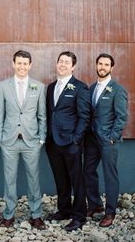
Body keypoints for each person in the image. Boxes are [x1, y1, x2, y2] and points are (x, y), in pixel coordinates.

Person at [0, 50, 46, 230]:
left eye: (25, 63)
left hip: (31, 141)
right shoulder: (3, 86)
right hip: (8, 141)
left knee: (34, 178)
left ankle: (36, 215)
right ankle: (9, 215)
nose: (22, 66)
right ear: (13, 64)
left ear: (30, 65)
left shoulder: (38, 87)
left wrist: (41, 139)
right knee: (9, 179)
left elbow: (42, 115)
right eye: (19, 63)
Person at [45, 51, 90, 232]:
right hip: (53, 142)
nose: (62, 64)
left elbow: (84, 116)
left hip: (71, 142)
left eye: (67, 62)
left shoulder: (80, 87)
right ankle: (64, 210)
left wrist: (76, 140)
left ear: (73, 66)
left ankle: (79, 216)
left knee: (76, 180)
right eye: (60, 61)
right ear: (57, 64)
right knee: (60, 179)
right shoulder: (50, 87)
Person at [83, 53, 128, 227]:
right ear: (96, 65)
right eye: (100, 64)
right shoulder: (92, 87)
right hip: (92, 139)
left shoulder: (117, 89)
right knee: (87, 170)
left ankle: (110, 212)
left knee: (110, 175)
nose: (102, 67)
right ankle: (94, 205)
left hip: (108, 140)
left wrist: (112, 137)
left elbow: (122, 117)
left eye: (106, 64)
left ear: (111, 68)